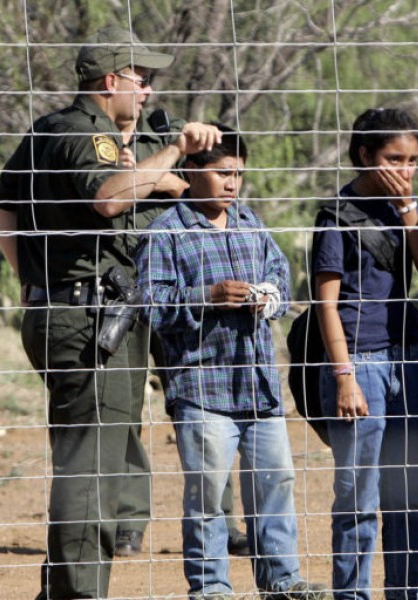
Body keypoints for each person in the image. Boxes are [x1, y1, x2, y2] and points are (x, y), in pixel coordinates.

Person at [0, 26, 222, 599]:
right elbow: (109, 198)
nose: (147, 94)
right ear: (112, 81)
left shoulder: (46, 130)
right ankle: (79, 594)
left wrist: (33, 281)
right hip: (90, 320)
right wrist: (176, 155)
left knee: (88, 455)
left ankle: (63, 587)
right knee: (92, 468)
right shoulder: (81, 135)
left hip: (69, 313)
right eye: (141, 82)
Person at [135, 124, 328, 600]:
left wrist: (269, 299)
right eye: (222, 173)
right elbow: (150, 306)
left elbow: (281, 282)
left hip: (259, 385)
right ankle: (211, 588)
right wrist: (208, 298)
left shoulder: (250, 222)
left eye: (238, 174)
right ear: (191, 172)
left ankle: (281, 580)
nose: (232, 183)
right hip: (201, 388)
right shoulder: (167, 233)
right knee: (206, 497)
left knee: (275, 484)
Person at [311, 107, 418, 600]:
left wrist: (408, 210)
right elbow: (326, 302)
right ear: (364, 155)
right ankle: (353, 594)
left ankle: (406, 592)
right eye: (393, 158)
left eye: (412, 161)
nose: (404, 170)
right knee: (358, 495)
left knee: (409, 492)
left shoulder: (404, 208)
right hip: (359, 363)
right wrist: (344, 376)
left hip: (408, 361)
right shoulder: (336, 216)